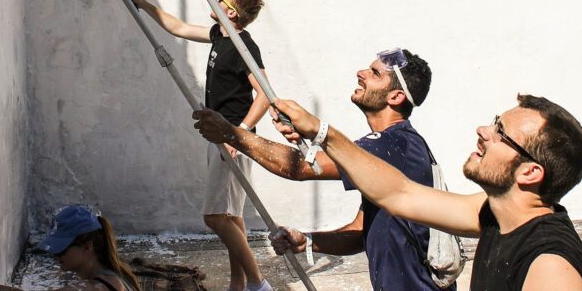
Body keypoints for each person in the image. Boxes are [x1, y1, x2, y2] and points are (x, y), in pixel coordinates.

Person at [270, 94, 582, 291]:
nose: (483, 131)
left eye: (500, 133)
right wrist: (321, 132)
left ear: (529, 172)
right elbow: (399, 194)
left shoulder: (550, 266)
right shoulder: (495, 212)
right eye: (494, 122)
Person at [193, 48, 452, 290]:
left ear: (395, 96)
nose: (361, 74)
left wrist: (231, 133)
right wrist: (309, 241)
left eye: (375, 74)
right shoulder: (394, 145)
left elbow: (301, 168)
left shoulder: (393, 145)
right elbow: (361, 231)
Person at [127, 0, 273, 291]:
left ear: (231, 12)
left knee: (214, 217)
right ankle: (240, 284)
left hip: (231, 139)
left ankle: (258, 285)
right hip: (221, 136)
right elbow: (177, 27)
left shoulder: (243, 46)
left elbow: (265, 96)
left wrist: (239, 134)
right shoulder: (219, 35)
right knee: (232, 216)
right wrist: (140, 1)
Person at [0, 205, 141, 291]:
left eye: (62, 249)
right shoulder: (112, 276)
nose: (56, 255)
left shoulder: (99, 287)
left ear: (87, 247)